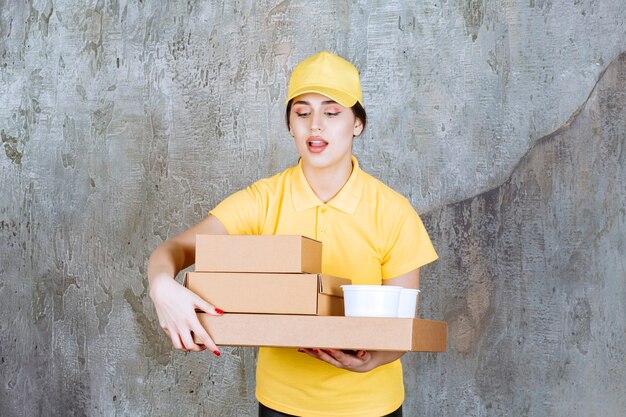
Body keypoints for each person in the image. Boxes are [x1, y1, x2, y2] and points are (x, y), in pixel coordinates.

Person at [148, 51, 438, 417]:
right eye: (302, 113)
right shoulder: (264, 200)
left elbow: (402, 327)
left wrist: (372, 359)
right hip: (280, 404)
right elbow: (175, 250)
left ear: (357, 124)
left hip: (372, 406)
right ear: (290, 125)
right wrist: (161, 285)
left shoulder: (393, 211)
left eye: (331, 113)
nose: (315, 125)